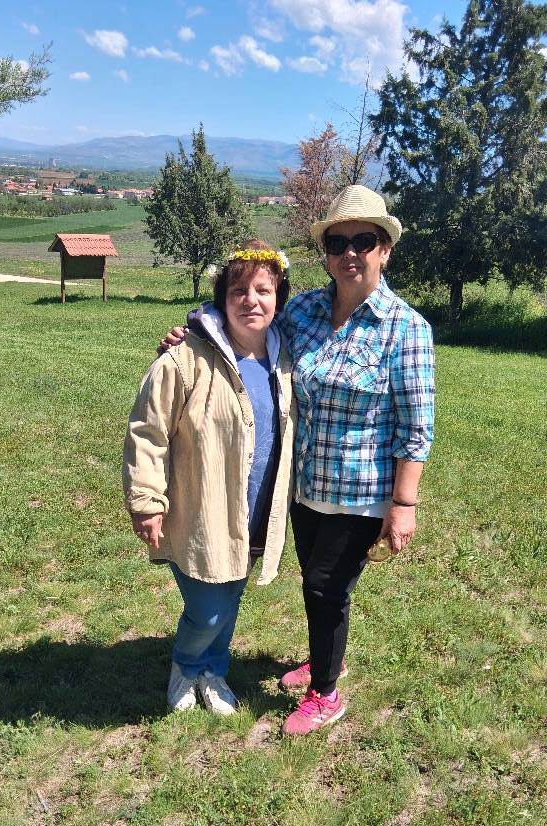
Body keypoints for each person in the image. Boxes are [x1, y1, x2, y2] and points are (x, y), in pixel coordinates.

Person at [163, 185, 435, 736]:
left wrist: (403, 504)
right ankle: (324, 656)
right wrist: (193, 332)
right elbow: (246, 318)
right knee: (318, 580)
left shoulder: (407, 329)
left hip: (361, 493)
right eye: (338, 242)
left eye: (364, 241)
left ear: (385, 250)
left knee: (324, 587)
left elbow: (416, 428)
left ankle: (325, 693)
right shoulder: (305, 310)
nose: (350, 252)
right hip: (301, 487)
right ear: (326, 254)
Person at [123, 242, 295, 716]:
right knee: (208, 608)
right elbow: (148, 431)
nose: (251, 300)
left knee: (231, 596)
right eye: (239, 290)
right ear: (223, 298)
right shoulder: (185, 359)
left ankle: (213, 671)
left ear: (278, 298)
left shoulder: (285, 359)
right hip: (200, 509)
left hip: (256, 510)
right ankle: (185, 665)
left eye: (263, 290)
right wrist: (146, 501)